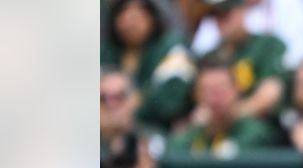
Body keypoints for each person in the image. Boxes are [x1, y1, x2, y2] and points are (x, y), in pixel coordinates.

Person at [101, 0, 196, 129]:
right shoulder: (107, 50)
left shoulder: (172, 48)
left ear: (152, 17)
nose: (131, 25)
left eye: (137, 17)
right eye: (125, 17)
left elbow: (169, 101)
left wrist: (131, 105)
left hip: (159, 129)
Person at [200, 0, 289, 123]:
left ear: (243, 11)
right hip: (220, 133)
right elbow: (200, 106)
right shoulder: (209, 56)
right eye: (215, 16)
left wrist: (223, 114)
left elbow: (269, 96)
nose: (220, 22)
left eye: (225, 14)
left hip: (263, 129)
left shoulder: (268, 45)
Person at [168, 59, 278, 157]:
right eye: (207, 91)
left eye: (221, 90)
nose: (215, 99)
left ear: (237, 89)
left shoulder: (256, 135)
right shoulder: (188, 139)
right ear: (196, 95)